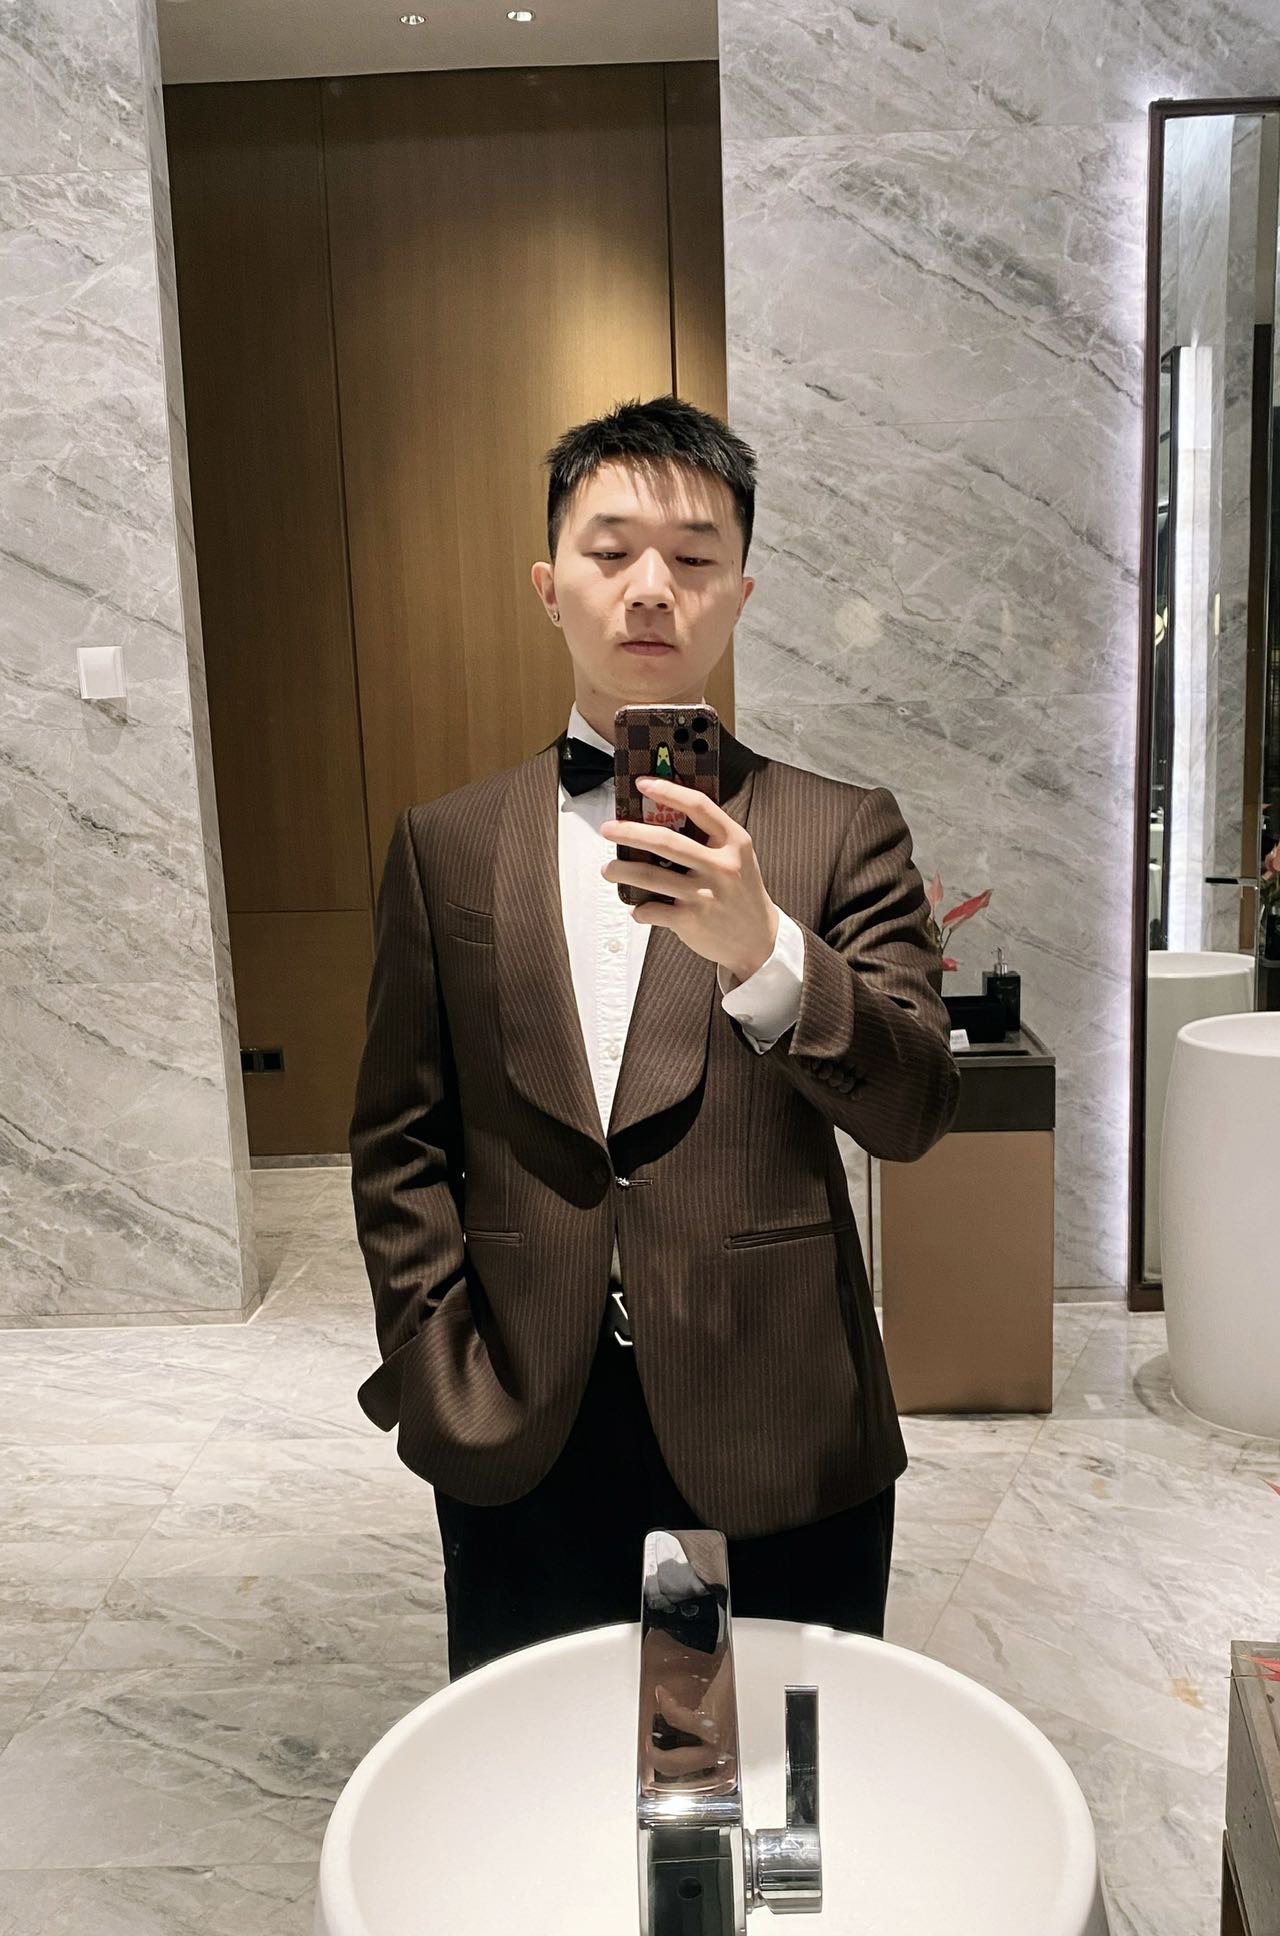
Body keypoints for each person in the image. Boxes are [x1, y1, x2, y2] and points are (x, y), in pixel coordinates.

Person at [348, 394, 960, 1681]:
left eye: (691, 558)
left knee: (787, 1759)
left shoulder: (840, 829)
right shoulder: (446, 843)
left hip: (780, 1411)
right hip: (520, 1409)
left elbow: (910, 1110)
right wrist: (432, 1358)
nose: (648, 589)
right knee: (535, 1756)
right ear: (547, 585)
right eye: (609, 549)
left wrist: (765, 950)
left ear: (738, 594)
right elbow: (399, 1139)